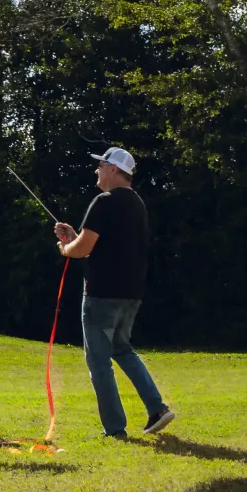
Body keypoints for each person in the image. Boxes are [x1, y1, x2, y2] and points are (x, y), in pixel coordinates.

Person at [55, 144, 176, 442]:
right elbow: (96, 245)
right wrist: (75, 238)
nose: (96, 170)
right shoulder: (137, 204)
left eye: (100, 166)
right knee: (122, 349)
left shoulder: (104, 201)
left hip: (101, 294)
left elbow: (82, 249)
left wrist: (65, 247)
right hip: (130, 293)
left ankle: (114, 429)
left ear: (112, 170)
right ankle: (157, 408)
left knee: (98, 362)